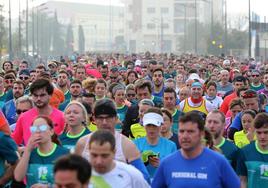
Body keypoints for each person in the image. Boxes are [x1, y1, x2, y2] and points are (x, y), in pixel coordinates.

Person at [152, 111, 240, 188]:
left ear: (201, 134)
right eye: (182, 131)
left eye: (190, 131)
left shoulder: (218, 162)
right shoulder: (167, 163)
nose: (185, 136)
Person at [75, 98, 150, 183]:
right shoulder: (83, 143)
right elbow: (74, 175)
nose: (104, 122)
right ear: (94, 119)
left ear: (116, 118)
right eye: (100, 118)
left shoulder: (127, 145)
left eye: (108, 118)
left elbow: (144, 178)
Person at [14, 116, 69, 187]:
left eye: (42, 128)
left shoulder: (64, 153)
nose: (38, 131)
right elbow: (18, 177)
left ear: (51, 131)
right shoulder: (29, 154)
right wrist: (28, 149)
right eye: (34, 129)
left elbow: (70, 183)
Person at [12, 78, 65, 145]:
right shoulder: (23, 117)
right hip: (31, 155)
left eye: (42, 95)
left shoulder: (61, 116)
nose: (38, 98)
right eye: (35, 95)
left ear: (50, 95)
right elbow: (14, 143)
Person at [134, 108, 176, 178]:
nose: (151, 129)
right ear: (144, 125)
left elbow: (174, 171)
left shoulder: (171, 145)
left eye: (154, 125)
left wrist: (161, 165)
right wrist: (141, 162)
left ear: (160, 125)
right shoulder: (135, 144)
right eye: (148, 125)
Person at [237, 112, 268, 188]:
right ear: (254, 131)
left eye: (266, 132)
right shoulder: (244, 151)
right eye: (259, 133)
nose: (262, 136)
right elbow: (242, 180)